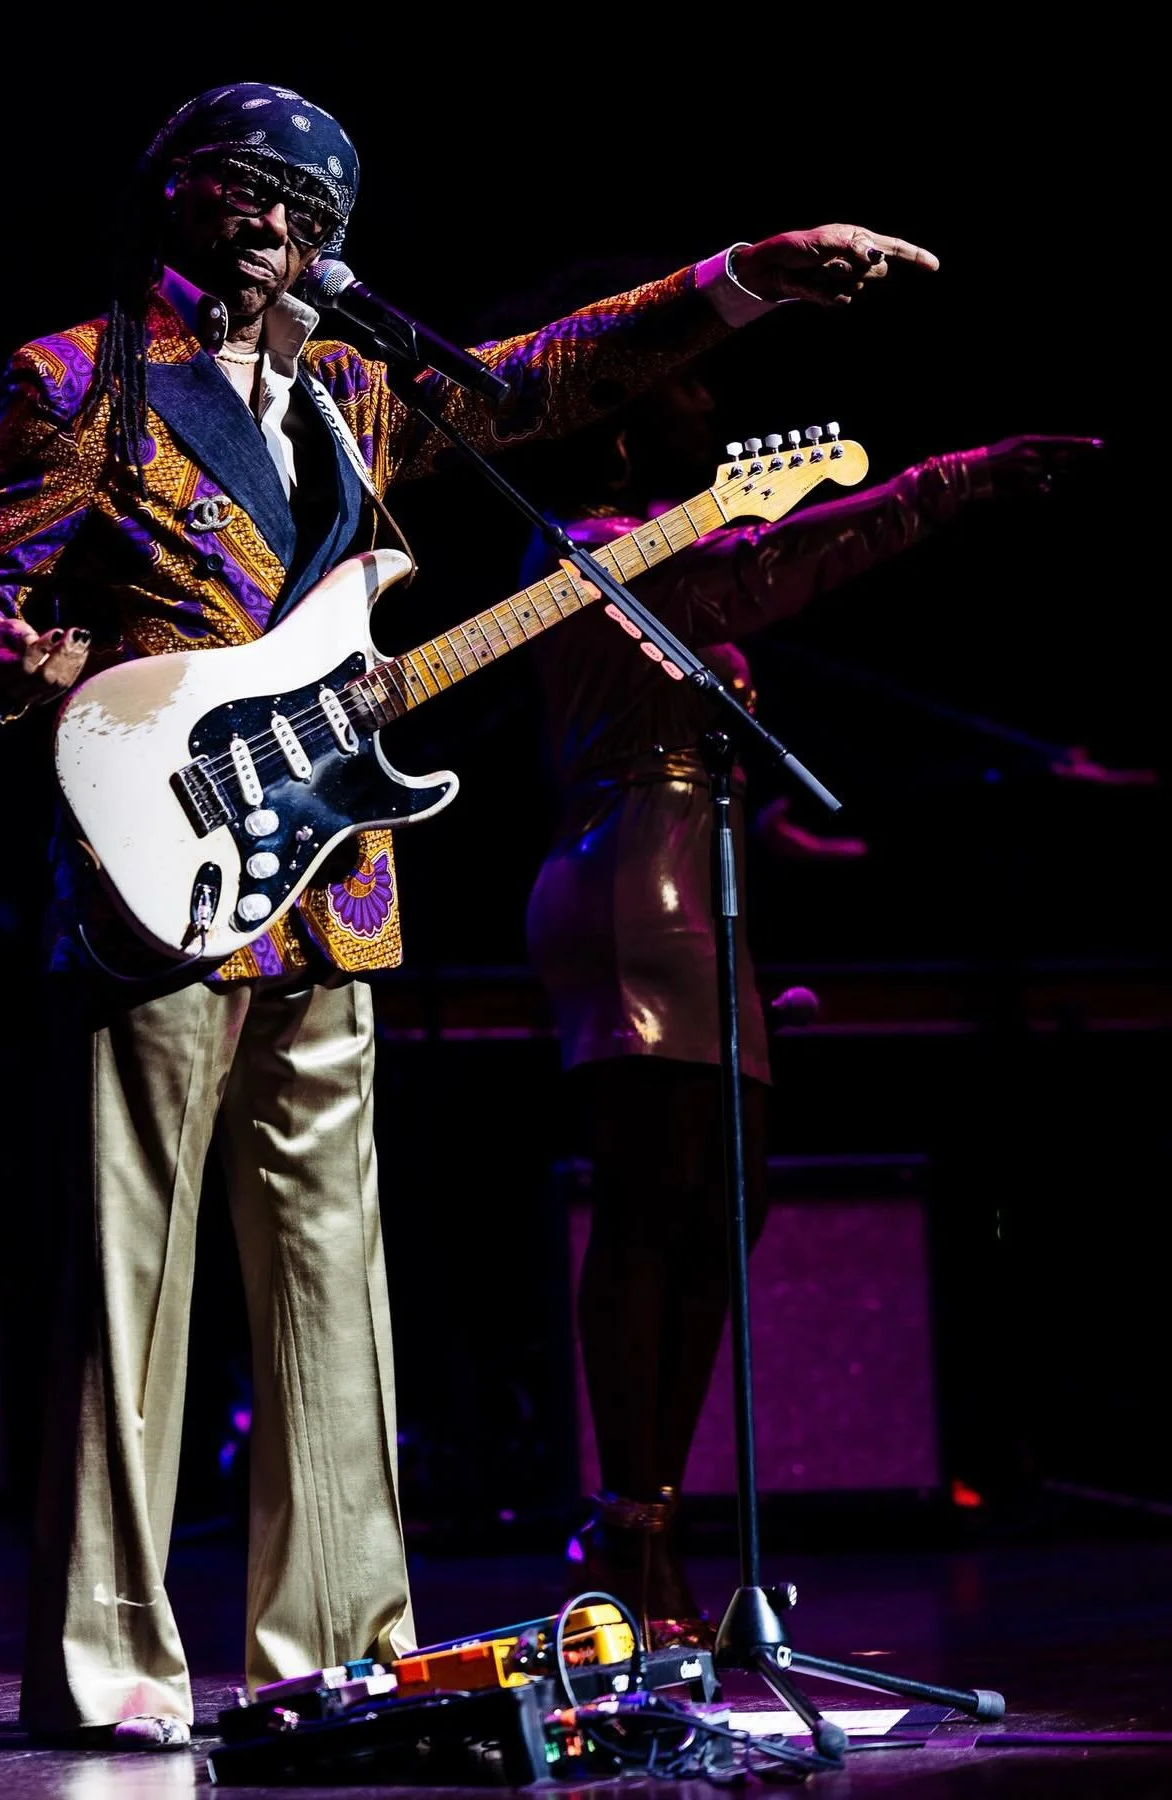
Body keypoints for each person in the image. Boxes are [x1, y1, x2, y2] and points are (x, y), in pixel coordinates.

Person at [0, 76, 955, 1749]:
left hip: (332, 883)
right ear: (173, 196)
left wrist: (745, 276)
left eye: (309, 204)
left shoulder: (352, 387)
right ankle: (114, 1668)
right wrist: (22, 663)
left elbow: (547, 377)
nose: (274, 221)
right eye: (244, 187)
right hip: (153, 870)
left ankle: (335, 1643)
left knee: (338, 1286)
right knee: (133, 1290)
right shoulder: (78, 379)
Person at [470, 261, 1105, 1653]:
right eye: (693, 384)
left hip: (703, 883)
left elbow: (707, 714)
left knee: (722, 1218)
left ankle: (654, 1511)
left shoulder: (652, 561)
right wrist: (955, 482)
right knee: (652, 1209)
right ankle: (626, 1527)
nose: (714, 404)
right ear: (632, 427)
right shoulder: (594, 545)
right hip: (627, 883)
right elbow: (762, 570)